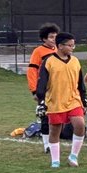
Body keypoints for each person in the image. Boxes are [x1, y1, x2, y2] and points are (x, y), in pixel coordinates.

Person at [34, 32, 87, 168]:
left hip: (74, 100)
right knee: (55, 131)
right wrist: (41, 101)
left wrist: (84, 99)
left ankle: (73, 156)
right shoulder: (49, 61)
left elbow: (80, 83)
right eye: (70, 45)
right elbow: (41, 84)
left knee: (80, 125)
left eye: (73, 45)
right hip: (55, 102)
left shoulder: (75, 61)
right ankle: (55, 161)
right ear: (60, 46)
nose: (72, 48)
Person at [26, 22, 59, 153]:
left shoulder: (59, 49)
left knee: (59, 115)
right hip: (44, 89)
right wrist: (34, 90)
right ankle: (47, 145)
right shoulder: (38, 51)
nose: (54, 39)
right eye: (51, 37)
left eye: (55, 36)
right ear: (44, 39)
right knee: (45, 115)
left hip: (59, 88)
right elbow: (32, 71)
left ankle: (55, 140)